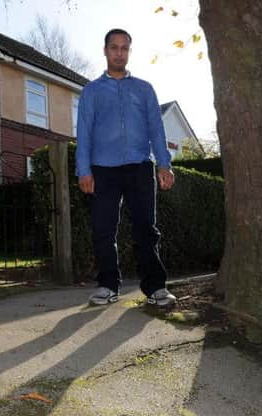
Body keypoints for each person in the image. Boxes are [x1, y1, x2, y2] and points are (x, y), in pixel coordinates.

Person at [76, 28, 177, 308]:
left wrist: (164, 163)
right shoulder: (91, 91)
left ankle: (155, 287)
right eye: (114, 47)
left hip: (140, 167)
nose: (119, 52)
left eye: (124, 48)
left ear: (129, 52)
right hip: (103, 170)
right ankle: (108, 285)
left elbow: (156, 128)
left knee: (146, 228)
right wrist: (83, 170)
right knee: (103, 229)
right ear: (105, 50)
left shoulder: (144, 89)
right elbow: (83, 132)